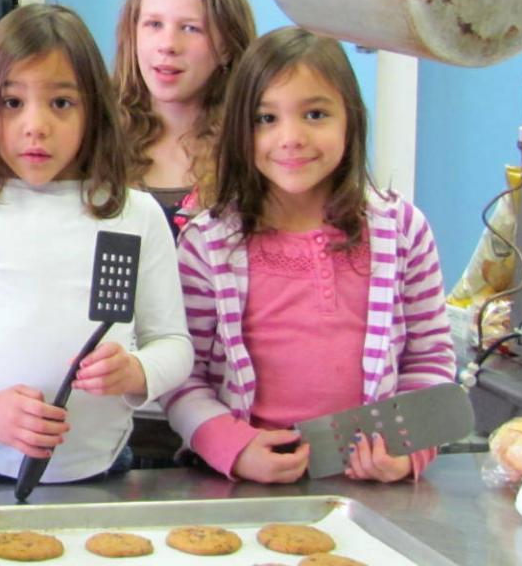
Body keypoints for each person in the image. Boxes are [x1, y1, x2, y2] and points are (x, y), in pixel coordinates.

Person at [0, 4, 192, 484]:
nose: (35, 125)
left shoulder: (135, 214)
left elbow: (173, 344)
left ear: (93, 110)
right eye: (12, 103)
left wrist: (135, 371)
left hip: (104, 467)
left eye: (61, 103)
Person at [164, 26, 455, 484]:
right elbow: (182, 375)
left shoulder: (403, 233)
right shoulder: (206, 244)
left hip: (367, 489)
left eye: (315, 114)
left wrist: (407, 448)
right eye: (266, 119)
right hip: (241, 483)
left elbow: (430, 361)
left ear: (350, 121)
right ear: (241, 130)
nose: (291, 137)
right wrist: (232, 447)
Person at [114, 0, 256, 236]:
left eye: (190, 28)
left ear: (227, 45)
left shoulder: (251, 145)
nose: (168, 44)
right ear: (133, 32)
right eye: (154, 24)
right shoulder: (96, 136)